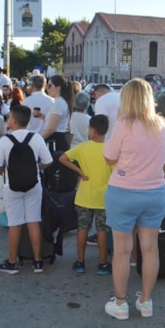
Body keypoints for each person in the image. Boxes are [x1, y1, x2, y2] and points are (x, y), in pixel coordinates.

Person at [103, 79, 165, 320]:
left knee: (122, 251)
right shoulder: (161, 124)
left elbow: (109, 156)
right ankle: (146, 301)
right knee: (150, 248)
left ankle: (120, 303)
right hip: (154, 193)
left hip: (123, 193)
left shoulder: (123, 125)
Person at [0, 105, 53, 274]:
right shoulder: (36, 138)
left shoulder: (5, 140)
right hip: (34, 184)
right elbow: (48, 161)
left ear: (13, 121)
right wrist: (36, 168)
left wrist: (7, 173)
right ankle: (38, 261)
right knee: (33, 221)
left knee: (15, 223)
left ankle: (12, 262)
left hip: (12, 186)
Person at [59, 114, 113, 275]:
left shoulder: (83, 147)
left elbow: (62, 158)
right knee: (102, 230)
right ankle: (102, 263)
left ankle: (80, 262)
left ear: (93, 131)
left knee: (82, 228)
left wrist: (80, 172)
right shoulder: (109, 150)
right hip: (104, 198)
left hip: (84, 197)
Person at [41, 74, 74, 152]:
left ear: (58, 87)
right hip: (59, 139)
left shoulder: (59, 103)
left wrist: (37, 139)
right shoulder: (61, 101)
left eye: (49, 85)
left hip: (55, 141)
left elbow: (51, 129)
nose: (47, 88)